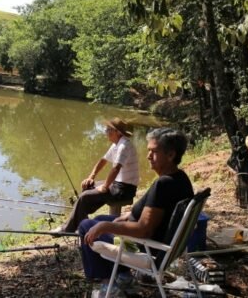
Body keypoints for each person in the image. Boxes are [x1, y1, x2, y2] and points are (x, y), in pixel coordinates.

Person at [80, 127, 194, 297]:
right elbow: (155, 212)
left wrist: (105, 226)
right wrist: (126, 216)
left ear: (170, 155)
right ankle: (124, 276)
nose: (148, 156)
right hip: (161, 244)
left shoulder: (163, 185)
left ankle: (107, 286)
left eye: (153, 152)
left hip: (147, 249)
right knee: (100, 218)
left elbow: (144, 230)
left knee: (86, 225)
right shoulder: (180, 178)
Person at [52, 117, 139, 234]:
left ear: (117, 132)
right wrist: (91, 177)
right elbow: (103, 161)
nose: (105, 131)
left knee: (84, 197)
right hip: (117, 184)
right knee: (88, 186)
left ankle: (67, 229)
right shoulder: (116, 144)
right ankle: (82, 224)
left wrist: (105, 186)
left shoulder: (124, 146)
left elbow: (116, 168)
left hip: (124, 189)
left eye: (108, 129)